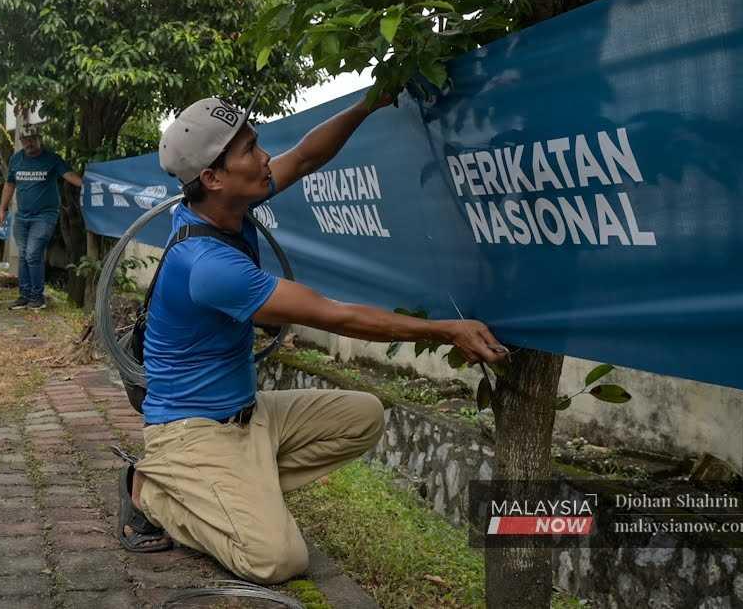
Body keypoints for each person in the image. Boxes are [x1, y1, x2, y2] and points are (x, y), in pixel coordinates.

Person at [120, 94, 507, 584]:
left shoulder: (227, 202)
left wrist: (371, 103)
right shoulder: (208, 266)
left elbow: (305, 156)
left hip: (249, 414)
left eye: (257, 144)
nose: (264, 158)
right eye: (249, 150)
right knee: (276, 559)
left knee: (362, 416)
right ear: (214, 177)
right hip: (192, 430)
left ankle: (237, 490)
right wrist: (447, 331)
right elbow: (336, 315)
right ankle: (150, 490)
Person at [0, 126, 83, 310]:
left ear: (39, 138)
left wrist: (89, 185)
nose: (29, 143)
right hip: (22, 216)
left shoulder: (51, 159)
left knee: (33, 253)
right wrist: (2, 209)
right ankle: (24, 296)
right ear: (21, 140)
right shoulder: (16, 159)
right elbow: (9, 185)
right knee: (24, 255)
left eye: (32, 139)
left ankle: (37, 297)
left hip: (45, 215)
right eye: (25, 139)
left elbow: (69, 176)